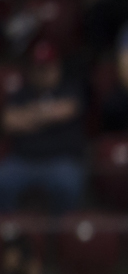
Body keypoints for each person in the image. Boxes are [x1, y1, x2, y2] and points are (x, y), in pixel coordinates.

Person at [0, 42, 86, 213]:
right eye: (39, 68)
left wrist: (29, 116)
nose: (43, 73)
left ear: (57, 67)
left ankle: (62, 234)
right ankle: (11, 232)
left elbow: (68, 109)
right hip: (23, 161)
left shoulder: (69, 88)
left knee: (68, 183)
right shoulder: (22, 93)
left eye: (47, 67)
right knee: (3, 180)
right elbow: (8, 121)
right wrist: (49, 114)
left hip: (60, 161)